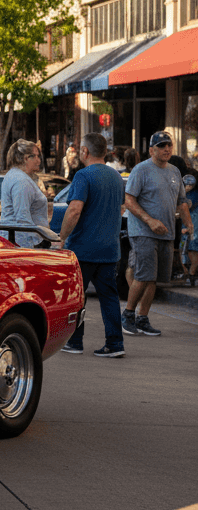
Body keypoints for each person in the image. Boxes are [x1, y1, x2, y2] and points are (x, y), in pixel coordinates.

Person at [55, 133, 126, 358]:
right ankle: (115, 343)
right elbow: (121, 208)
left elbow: (74, 209)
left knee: (77, 297)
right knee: (109, 297)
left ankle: (75, 341)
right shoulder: (116, 177)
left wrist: (62, 237)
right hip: (109, 249)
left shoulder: (83, 176)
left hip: (84, 248)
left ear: (85, 152)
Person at [122, 131, 192, 337]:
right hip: (143, 231)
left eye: (169, 145)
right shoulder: (141, 170)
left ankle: (142, 318)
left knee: (154, 279)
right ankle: (127, 315)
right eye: (162, 146)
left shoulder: (174, 172)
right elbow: (129, 201)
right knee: (143, 275)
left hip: (167, 232)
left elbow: (182, 201)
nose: (167, 149)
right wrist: (150, 221)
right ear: (152, 150)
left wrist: (188, 223)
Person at [0, 139, 48, 247]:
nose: (39, 160)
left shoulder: (16, 176)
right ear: (26, 158)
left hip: (17, 240)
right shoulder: (21, 181)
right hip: (23, 243)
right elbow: (23, 217)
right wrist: (35, 243)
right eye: (35, 156)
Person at [182, 174, 198, 286]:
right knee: (185, 248)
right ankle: (189, 273)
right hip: (188, 223)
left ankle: (191, 273)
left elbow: (187, 206)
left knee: (191, 248)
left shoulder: (193, 195)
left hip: (192, 224)